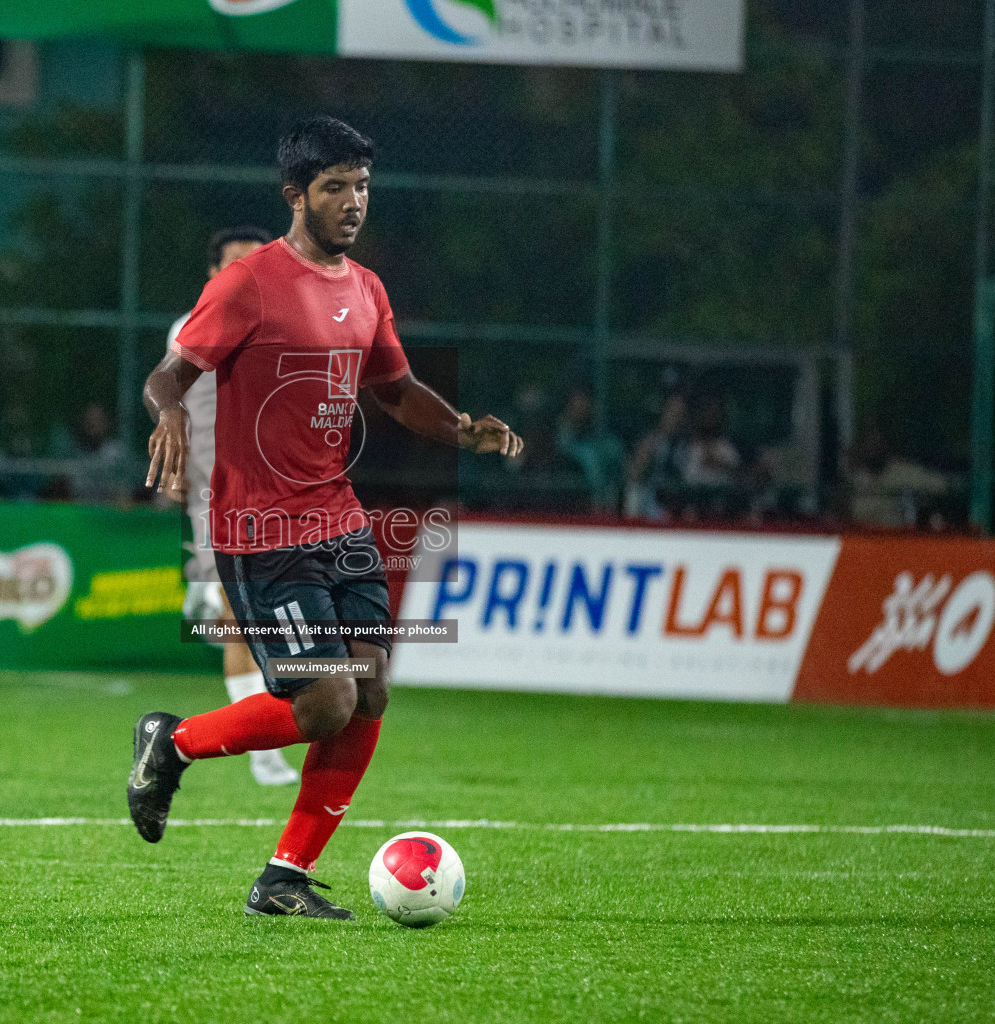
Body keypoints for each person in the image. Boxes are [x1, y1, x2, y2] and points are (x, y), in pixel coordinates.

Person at [129, 116, 523, 919]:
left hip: (338, 521)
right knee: (326, 704)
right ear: (295, 194)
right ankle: (172, 744)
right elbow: (168, 374)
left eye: (363, 187)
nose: (353, 203)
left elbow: (396, 390)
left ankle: (283, 878)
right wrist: (167, 412)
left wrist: (459, 427)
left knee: (370, 689)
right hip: (258, 528)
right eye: (335, 187)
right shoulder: (248, 284)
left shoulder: (367, 289)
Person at [169, 224, 300, 787]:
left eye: (258, 261)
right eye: (235, 262)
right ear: (213, 273)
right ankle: (261, 751)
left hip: (281, 494)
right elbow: (172, 399)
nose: (249, 271)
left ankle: (266, 735)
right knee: (235, 617)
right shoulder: (193, 327)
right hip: (214, 494)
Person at [554, 385, 625, 513]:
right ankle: (598, 501)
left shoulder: (595, 429)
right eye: (578, 400)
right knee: (589, 455)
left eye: (585, 401)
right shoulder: (557, 427)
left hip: (600, 494)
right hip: (567, 481)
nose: (582, 405)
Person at [625, 391, 688, 521]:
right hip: (651, 505)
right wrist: (644, 456)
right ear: (663, 413)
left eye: (680, 414)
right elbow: (633, 475)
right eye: (672, 412)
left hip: (680, 506)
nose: (676, 418)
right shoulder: (650, 442)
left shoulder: (688, 446)